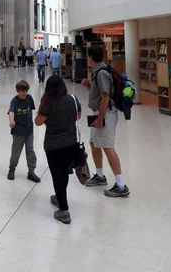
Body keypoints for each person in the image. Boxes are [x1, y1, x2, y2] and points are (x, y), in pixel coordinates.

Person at [81, 46, 130, 198]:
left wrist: (100, 118)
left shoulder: (101, 73)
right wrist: (89, 86)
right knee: (93, 143)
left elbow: (106, 97)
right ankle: (100, 175)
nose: (87, 59)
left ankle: (121, 185)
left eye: (87, 57)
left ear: (91, 58)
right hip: (98, 113)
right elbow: (99, 93)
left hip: (105, 114)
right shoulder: (99, 72)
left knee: (108, 147)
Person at [35, 76, 81, 224]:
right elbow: (78, 116)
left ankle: (64, 210)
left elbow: (38, 122)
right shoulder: (72, 99)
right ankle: (59, 197)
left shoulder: (48, 102)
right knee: (65, 173)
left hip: (54, 145)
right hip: (71, 142)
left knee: (57, 175)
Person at [7, 80, 40, 183]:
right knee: (16, 152)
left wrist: (31, 122)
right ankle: (12, 169)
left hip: (29, 130)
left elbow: (30, 110)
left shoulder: (29, 98)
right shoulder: (14, 101)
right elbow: (11, 111)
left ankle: (31, 172)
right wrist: (11, 121)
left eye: (25, 90)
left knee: (30, 151)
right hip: (18, 131)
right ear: (18, 91)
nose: (24, 93)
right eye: (22, 91)